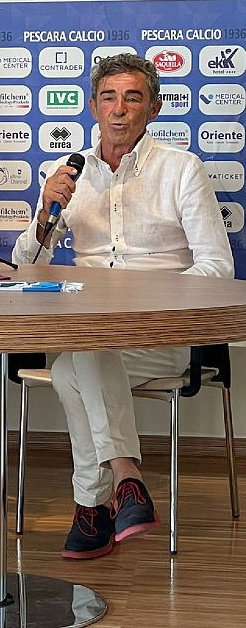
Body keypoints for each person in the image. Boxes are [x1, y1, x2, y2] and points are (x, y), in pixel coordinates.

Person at [12, 53, 233, 559]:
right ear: (93, 107)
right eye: (109, 98)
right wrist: (45, 212)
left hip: (161, 337)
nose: (119, 109)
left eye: (133, 98)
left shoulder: (181, 170)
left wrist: (139, 306)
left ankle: (92, 508)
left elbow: (217, 268)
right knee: (83, 354)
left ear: (153, 108)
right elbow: (28, 266)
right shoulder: (68, 176)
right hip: (92, 334)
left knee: (73, 365)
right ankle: (126, 481)